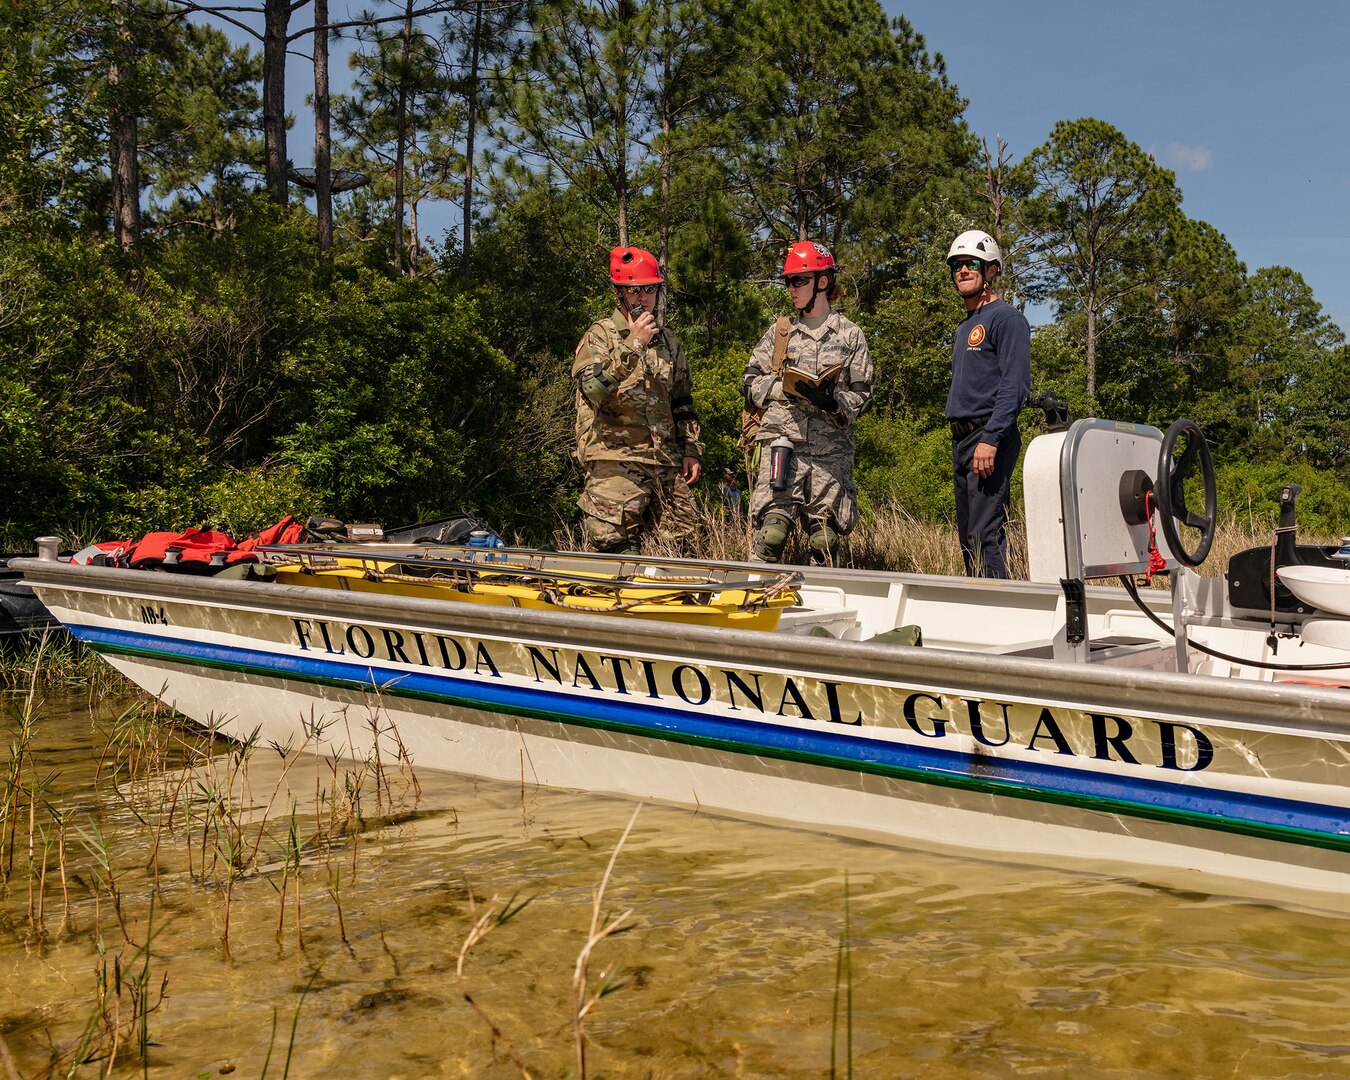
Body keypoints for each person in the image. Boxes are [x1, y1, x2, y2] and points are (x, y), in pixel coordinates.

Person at [742, 241, 872, 565]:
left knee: (824, 540)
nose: (791, 288)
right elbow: (748, 382)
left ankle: (824, 605)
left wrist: (834, 403)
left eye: (798, 280)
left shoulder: (850, 335)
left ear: (822, 282)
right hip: (782, 441)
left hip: (830, 450)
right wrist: (783, 389)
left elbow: (862, 393)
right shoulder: (780, 332)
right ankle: (753, 598)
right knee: (771, 534)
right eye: (788, 281)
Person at [573, 245, 703, 554]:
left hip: (666, 463)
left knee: (687, 551)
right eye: (634, 291)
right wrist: (633, 345)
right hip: (614, 461)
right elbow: (592, 388)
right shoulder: (600, 335)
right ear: (619, 293)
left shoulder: (669, 341)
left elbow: (683, 401)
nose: (643, 297)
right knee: (616, 552)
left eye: (649, 289)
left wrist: (692, 450)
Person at [944, 230, 1031, 579]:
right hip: (962, 439)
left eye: (971, 264)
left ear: (991, 271)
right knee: (968, 537)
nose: (962, 270)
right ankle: (977, 607)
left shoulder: (1006, 319)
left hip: (987, 437)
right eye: (957, 265)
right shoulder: (965, 326)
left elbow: (1015, 386)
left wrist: (991, 438)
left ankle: (1001, 611)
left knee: (985, 535)